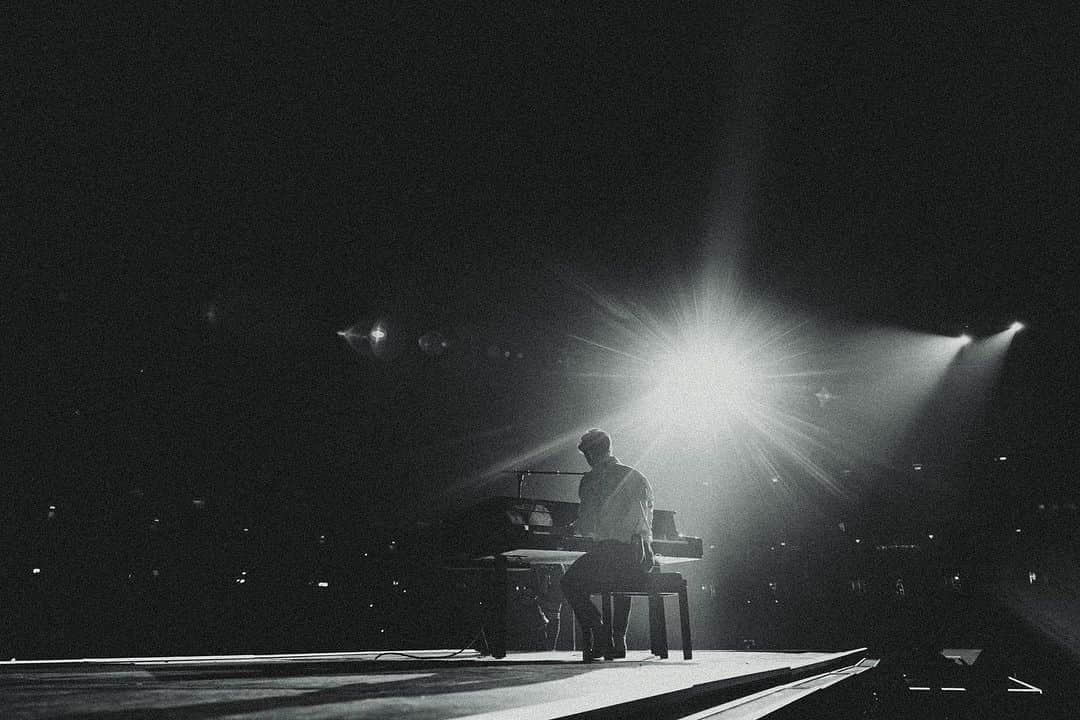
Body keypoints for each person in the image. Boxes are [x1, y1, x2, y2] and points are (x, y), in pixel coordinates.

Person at [560, 428, 655, 661]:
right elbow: (648, 518)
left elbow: (586, 526)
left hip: (611, 553)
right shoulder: (637, 475)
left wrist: (570, 528)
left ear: (591, 454)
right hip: (641, 556)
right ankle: (618, 638)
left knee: (569, 582)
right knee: (622, 577)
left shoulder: (591, 480)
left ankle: (599, 629)